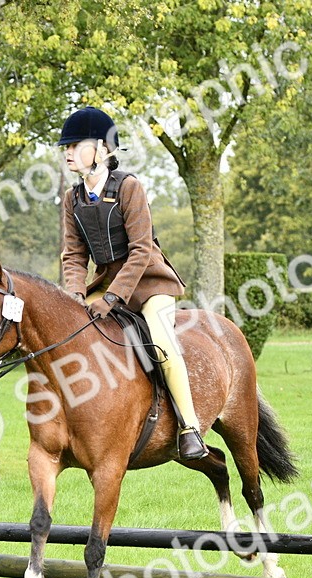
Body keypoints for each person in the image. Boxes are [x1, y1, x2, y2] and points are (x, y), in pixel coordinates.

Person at [58, 106, 207, 460]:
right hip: (106, 282)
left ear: (102, 149)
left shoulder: (129, 187)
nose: (67, 152)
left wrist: (110, 298)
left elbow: (141, 251)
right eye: (65, 146)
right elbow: (73, 256)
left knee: (162, 345)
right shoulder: (72, 199)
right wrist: (75, 295)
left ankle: (190, 428)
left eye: (75, 145)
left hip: (150, 283)